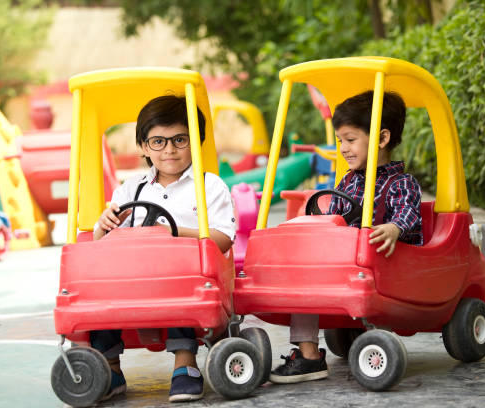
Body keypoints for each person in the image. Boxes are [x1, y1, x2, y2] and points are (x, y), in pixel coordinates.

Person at [270, 90, 423, 384]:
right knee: (303, 280)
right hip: (344, 264)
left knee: (361, 271)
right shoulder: (348, 181)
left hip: (385, 269)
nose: (343, 148)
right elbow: (335, 217)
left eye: (350, 140)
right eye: (340, 140)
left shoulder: (401, 183)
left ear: (381, 139)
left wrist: (394, 228)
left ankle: (373, 342)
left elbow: (409, 215)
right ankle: (308, 355)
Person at [91, 95, 236, 402]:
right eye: (158, 141)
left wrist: (173, 233)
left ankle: (185, 363)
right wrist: (104, 225)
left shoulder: (210, 186)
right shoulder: (131, 189)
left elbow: (223, 238)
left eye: (179, 140)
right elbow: (100, 245)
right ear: (144, 146)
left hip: (186, 277)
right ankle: (110, 366)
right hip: (133, 278)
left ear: (195, 142)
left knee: (178, 281)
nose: (169, 150)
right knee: (97, 290)